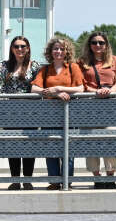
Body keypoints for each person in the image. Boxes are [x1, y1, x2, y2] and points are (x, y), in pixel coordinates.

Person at [31, 37, 84, 190]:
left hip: (69, 114)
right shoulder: (45, 69)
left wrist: (59, 89)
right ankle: (54, 180)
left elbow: (80, 89)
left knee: (69, 148)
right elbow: (34, 89)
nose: (58, 51)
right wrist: (52, 93)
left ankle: (67, 180)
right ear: (50, 51)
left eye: (61, 48)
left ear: (66, 51)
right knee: (51, 147)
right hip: (49, 116)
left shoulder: (73, 67)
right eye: (55, 49)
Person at [80, 32, 116, 189]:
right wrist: (95, 91)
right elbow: (81, 83)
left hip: (110, 103)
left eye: (101, 43)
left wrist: (109, 91)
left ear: (106, 45)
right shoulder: (82, 62)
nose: (97, 45)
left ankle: (110, 176)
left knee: (111, 138)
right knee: (90, 140)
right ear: (89, 45)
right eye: (94, 42)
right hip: (89, 105)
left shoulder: (115, 60)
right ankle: (97, 177)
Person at [0, 36, 41, 190]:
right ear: (12, 49)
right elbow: (1, 88)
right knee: (13, 146)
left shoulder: (35, 65)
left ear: (28, 48)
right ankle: (15, 179)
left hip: (30, 113)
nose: (20, 49)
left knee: (29, 147)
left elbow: (38, 85)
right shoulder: (4, 66)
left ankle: (28, 179)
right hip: (10, 113)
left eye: (23, 46)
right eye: (16, 46)